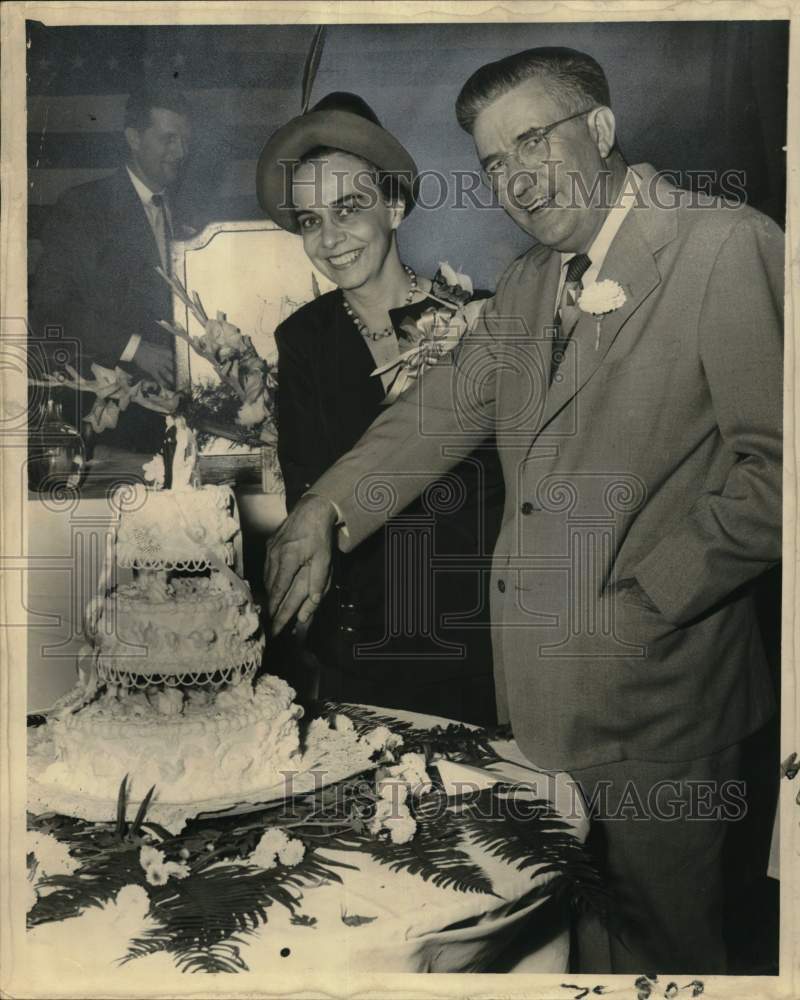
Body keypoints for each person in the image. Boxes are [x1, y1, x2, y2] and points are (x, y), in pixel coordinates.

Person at [263, 49, 783, 973]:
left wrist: (644, 602)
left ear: (603, 130)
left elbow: (780, 477)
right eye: (495, 160)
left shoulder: (724, 245)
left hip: (664, 705)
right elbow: (438, 414)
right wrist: (323, 511)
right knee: (572, 955)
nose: (515, 178)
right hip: (538, 703)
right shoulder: (532, 281)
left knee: (660, 958)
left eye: (532, 140)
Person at [257, 92, 504, 723]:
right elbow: (309, 493)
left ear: (394, 207)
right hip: (367, 645)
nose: (330, 238)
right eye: (311, 220)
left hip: (486, 639)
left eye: (349, 209)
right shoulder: (305, 340)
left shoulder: (481, 316)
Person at [30, 84, 193, 451]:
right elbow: (51, 312)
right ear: (133, 138)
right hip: (116, 427)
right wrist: (137, 350)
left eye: (185, 140)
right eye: (168, 139)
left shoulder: (186, 211)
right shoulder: (83, 207)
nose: (180, 152)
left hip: (186, 414)